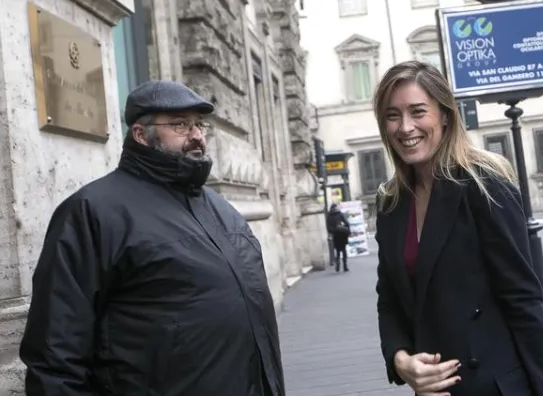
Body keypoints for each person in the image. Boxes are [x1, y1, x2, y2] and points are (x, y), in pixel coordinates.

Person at [19, 80, 285, 396]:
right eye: (180, 125)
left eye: (199, 124)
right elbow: (55, 352)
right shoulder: (91, 212)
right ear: (140, 134)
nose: (196, 135)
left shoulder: (221, 208)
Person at [372, 61, 543, 396]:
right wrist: (400, 359)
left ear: (445, 115)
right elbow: (389, 299)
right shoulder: (391, 203)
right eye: (393, 115)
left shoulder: (485, 187)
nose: (405, 127)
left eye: (418, 112)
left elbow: (523, 302)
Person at [326, 204, 350, 272]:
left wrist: (333, 231)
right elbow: (347, 223)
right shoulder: (340, 214)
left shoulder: (329, 216)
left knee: (338, 251)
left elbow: (328, 228)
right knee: (344, 250)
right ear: (336, 208)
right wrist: (345, 229)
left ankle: (338, 265)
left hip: (335, 235)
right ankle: (345, 266)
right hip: (342, 234)